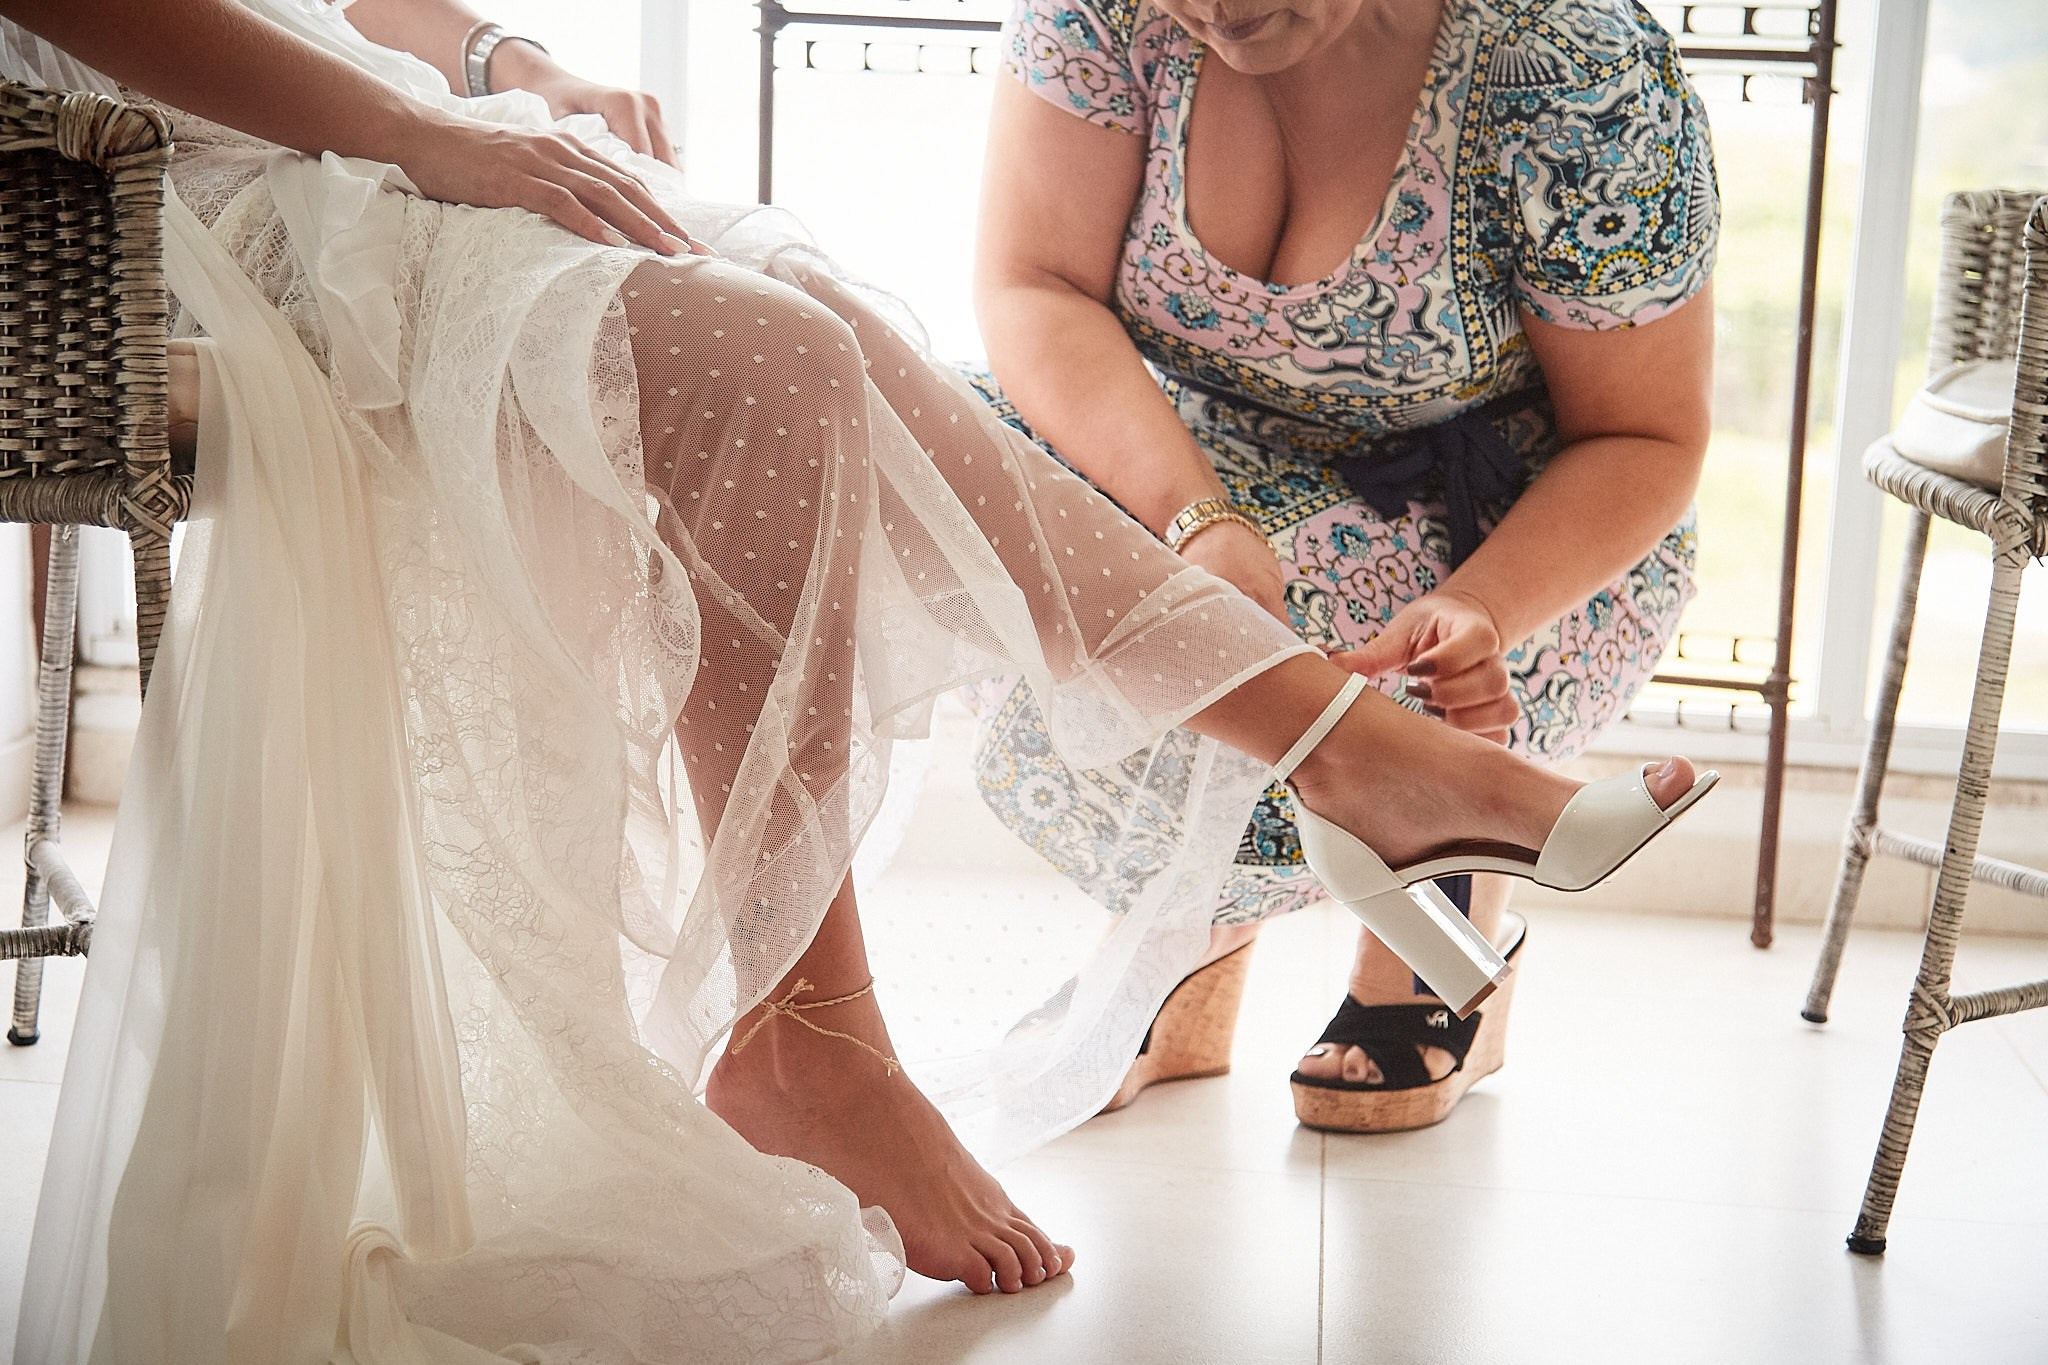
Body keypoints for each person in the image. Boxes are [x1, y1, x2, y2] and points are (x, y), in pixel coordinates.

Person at [2, 1, 1706, 1359]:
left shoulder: (1563, 61)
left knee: (809, 322)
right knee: (772, 355)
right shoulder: (1109, 24)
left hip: (347, 116)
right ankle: (1324, 773)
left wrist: (498, 61)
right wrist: (422, 130)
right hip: (135, 189)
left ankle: (868, 1005)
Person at [971, 0, 1716, 1130]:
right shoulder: (1103, 12)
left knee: (1281, 624)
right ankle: (1189, 921)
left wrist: (1481, 604)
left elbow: (1643, 435)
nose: (1216, 8)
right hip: (1191, 467)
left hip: (1503, 538)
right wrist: (1194, 517)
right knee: (945, 457)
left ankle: (1439, 878)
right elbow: (1036, 285)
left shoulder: (1571, 67)